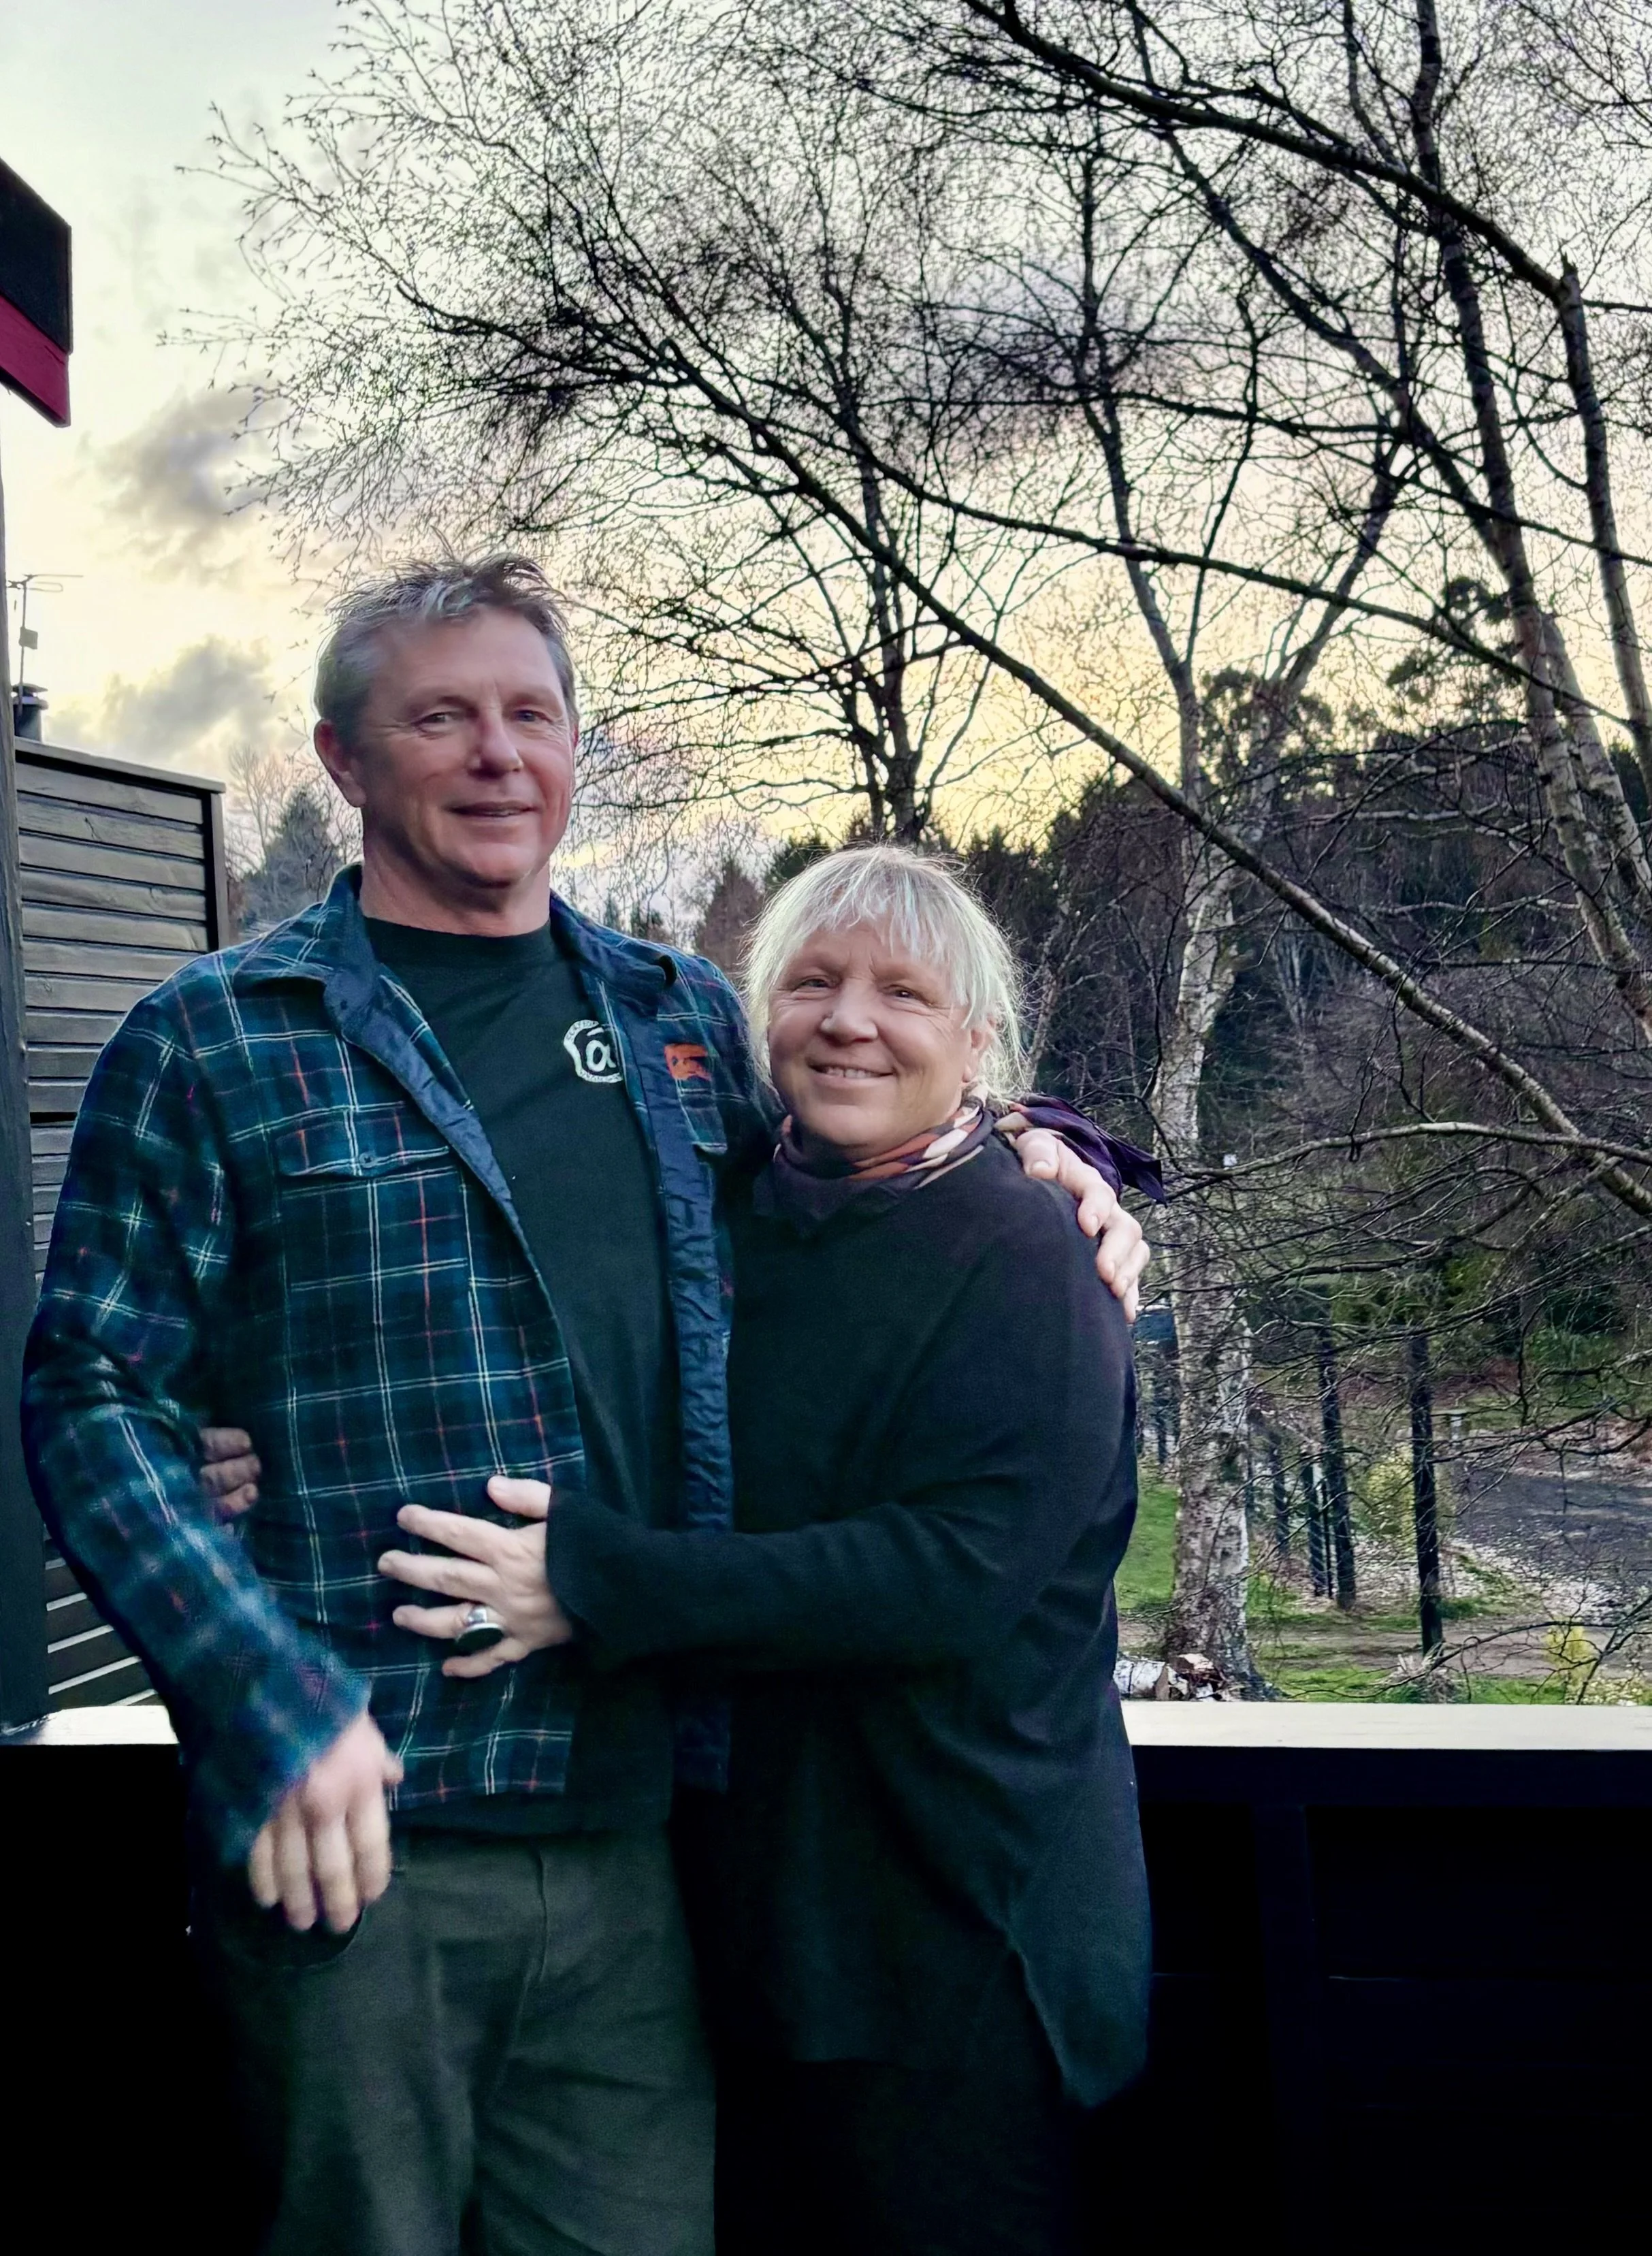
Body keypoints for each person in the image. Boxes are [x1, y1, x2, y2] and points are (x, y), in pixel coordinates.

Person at [22, 555, 1148, 2256]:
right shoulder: (215, 1038)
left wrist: (1048, 1149)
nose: (496, 755)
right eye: (441, 717)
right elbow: (96, 1388)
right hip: (367, 1839)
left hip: (653, 1844)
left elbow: (872, 1133)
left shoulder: (676, 1020)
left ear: (573, 749)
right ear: (343, 759)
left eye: (530, 715)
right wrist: (263, 1689)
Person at [375, 845, 1152, 2256]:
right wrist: (222, 1428)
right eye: (812, 981)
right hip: (752, 1926)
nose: (849, 1019)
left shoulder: (1028, 1253)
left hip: (957, 1938)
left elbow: (945, 1578)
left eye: (904, 992)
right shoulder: (729, 1213)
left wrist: (594, 1579)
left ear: (975, 1038)